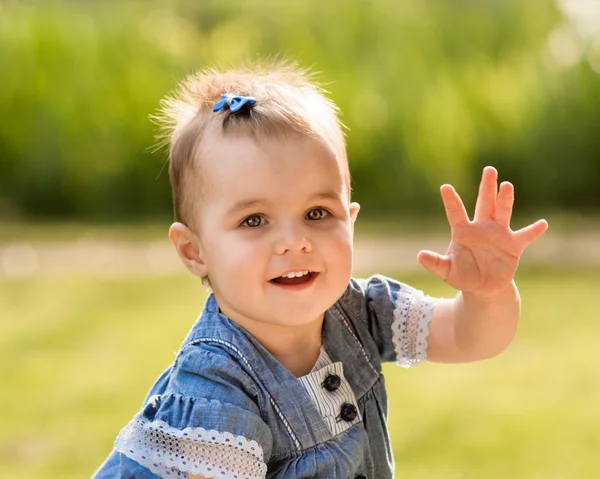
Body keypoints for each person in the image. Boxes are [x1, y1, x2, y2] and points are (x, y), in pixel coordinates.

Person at [92, 61, 548, 479]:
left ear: (349, 220)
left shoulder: (361, 311)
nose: (295, 240)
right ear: (195, 252)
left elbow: (472, 337)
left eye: (317, 213)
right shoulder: (216, 383)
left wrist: (488, 292)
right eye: (254, 220)